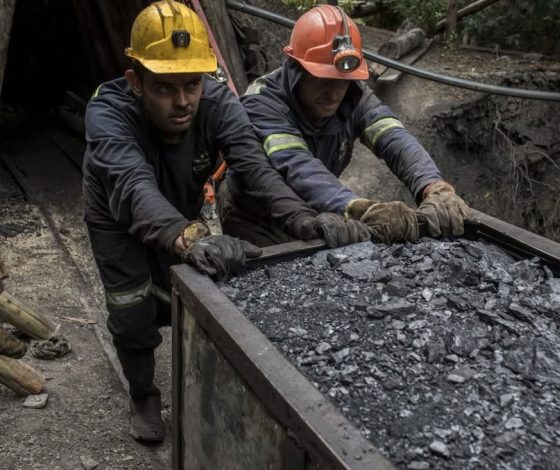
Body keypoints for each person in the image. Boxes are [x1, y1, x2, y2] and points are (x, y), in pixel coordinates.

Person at [82, 0, 361, 443]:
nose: (182, 102)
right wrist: (189, 235)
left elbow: (256, 167)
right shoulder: (108, 113)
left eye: (191, 85)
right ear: (135, 81)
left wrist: (305, 220)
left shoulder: (215, 102)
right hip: (116, 213)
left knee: (187, 287)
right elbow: (134, 186)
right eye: (164, 88)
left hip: (179, 201)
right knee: (131, 302)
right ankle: (143, 393)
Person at [218, 4, 471, 247]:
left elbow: (394, 138)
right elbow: (297, 165)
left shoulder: (353, 94)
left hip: (319, 211)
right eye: (323, 79)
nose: (334, 93)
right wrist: (359, 208)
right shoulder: (262, 101)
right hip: (256, 218)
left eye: (343, 80)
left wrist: (432, 185)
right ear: (295, 69)